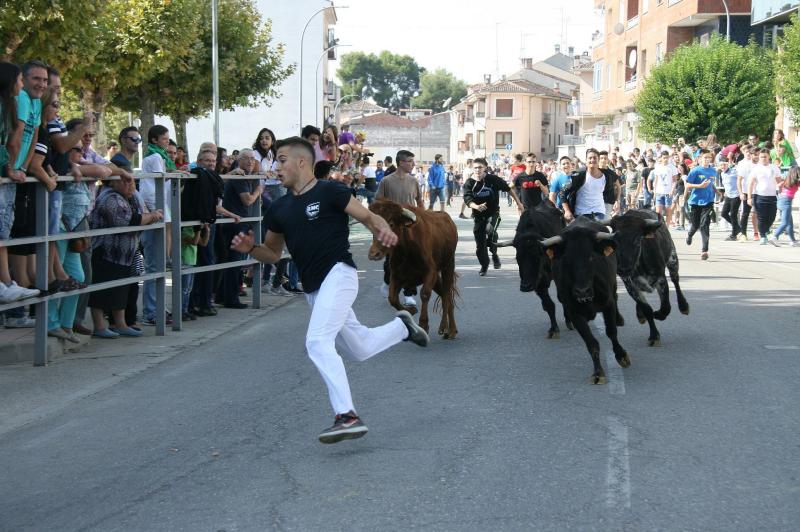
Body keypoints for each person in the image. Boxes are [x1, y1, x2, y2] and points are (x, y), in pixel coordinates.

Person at [231, 136, 429, 444]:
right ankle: (401, 327)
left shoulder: (330, 191)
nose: (275, 166)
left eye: (281, 160)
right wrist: (251, 248)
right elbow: (272, 253)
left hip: (339, 274)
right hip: (313, 289)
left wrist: (384, 228)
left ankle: (347, 415)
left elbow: (367, 215)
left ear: (301, 162)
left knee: (317, 341)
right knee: (360, 348)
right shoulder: (279, 209)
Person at [89, 175, 163, 338]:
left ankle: (121, 324)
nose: (131, 185)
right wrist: (151, 216)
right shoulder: (109, 197)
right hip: (106, 252)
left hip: (125, 254)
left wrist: (148, 216)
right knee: (100, 292)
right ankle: (100, 326)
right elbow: (129, 220)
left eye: (131, 180)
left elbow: (142, 213)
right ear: (113, 181)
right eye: (126, 181)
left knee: (122, 289)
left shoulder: (129, 195)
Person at [0, 61, 39, 306]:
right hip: (5, 172)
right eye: (20, 80)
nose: (22, 85)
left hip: (6, 171)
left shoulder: (8, 106)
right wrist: (12, 168)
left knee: (3, 233)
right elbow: (11, 142)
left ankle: (6, 284)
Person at [375, 149, 423, 306]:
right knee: (391, 260)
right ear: (401, 163)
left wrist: (423, 219)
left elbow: (420, 202)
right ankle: (387, 282)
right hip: (392, 227)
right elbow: (378, 203)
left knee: (411, 260)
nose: (413, 164)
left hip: (410, 227)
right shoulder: (386, 181)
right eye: (410, 161)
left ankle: (410, 293)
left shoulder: (414, 181)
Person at [463, 157, 523, 276]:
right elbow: (467, 198)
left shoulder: (493, 179)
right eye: (475, 167)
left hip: (493, 214)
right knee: (480, 245)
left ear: (485, 167)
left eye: (480, 167)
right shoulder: (470, 182)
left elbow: (508, 189)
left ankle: (494, 254)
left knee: (490, 230)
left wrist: (519, 203)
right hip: (478, 216)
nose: (477, 170)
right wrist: (476, 206)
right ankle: (484, 265)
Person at [221, 149, 262, 308]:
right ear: (239, 160)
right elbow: (247, 200)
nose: (251, 162)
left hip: (241, 222)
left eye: (253, 159)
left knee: (234, 261)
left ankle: (224, 295)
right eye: (247, 159)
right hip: (235, 223)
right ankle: (230, 298)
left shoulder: (248, 175)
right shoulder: (239, 176)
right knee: (234, 261)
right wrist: (259, 190)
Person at [561, 148, 617, 223]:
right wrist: (567, 211)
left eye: (595, 158)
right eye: (590, 158)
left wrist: (617, 201)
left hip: (599, 213)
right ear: (586, 160)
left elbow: (613, 189)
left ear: (598, 160)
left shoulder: (606, 175)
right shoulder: (578, 175)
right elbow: (562, 193)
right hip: (581, 214)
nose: (592, 160)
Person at [685, 149, 717, 260]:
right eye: (705, 157)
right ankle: (689, 234)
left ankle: (704, 250)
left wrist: (716, 191)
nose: (707, 159)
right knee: (695, 225)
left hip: (708, 201)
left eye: (709, 157)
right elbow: (687, 185)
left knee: (705, 225)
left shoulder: (713, 171)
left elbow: (711, 184)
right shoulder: (695, 171)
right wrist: (699, 186)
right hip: (695, 201)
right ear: (699, 159)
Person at [747, 148, 782, 246]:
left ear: (769, 157)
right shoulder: (756, 169)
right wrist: (749, 197)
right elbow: (751, 184)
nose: (763, 159)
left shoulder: (774, 168)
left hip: (772, 196)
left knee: (771, 217)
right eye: (761, 157)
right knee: (762, 218)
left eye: (765, 157)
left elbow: (780, 182)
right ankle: (763, 236)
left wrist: (783, 192)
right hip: (759, 196)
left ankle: (766, 232)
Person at [772, 166, 799, 245]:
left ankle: (793, 240)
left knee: (789, 222)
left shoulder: (786, 180)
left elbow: (778, 186)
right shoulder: (796, 181)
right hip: (786, 202)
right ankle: (775, 236)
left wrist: (780, 193)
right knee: (785, 222)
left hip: (780, 200)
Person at [651, 152, 678, 226]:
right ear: (661, 158)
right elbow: (656, 180)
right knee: (658, 212)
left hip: (668, 192)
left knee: (668, 211)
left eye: (667, 157)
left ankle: (667, 227)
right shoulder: (658, 167)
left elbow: (675, 181)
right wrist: (654, 192)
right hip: (659, 192)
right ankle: (659, 227)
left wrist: (672, 191)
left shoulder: (672, 167)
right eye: (664, 158)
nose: (666, 159)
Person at [718, 156, 740, 241]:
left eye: (724, 165)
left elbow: (741, 179)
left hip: (736, 195)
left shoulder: (734, 171)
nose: (723, 167)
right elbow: (725, 186)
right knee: (724, 213)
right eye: (721, 165)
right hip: (728, 195)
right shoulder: (722, 173)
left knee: (733, 215)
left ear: (727, 164)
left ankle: (734, 234)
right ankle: (737, 228)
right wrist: (722, 196)